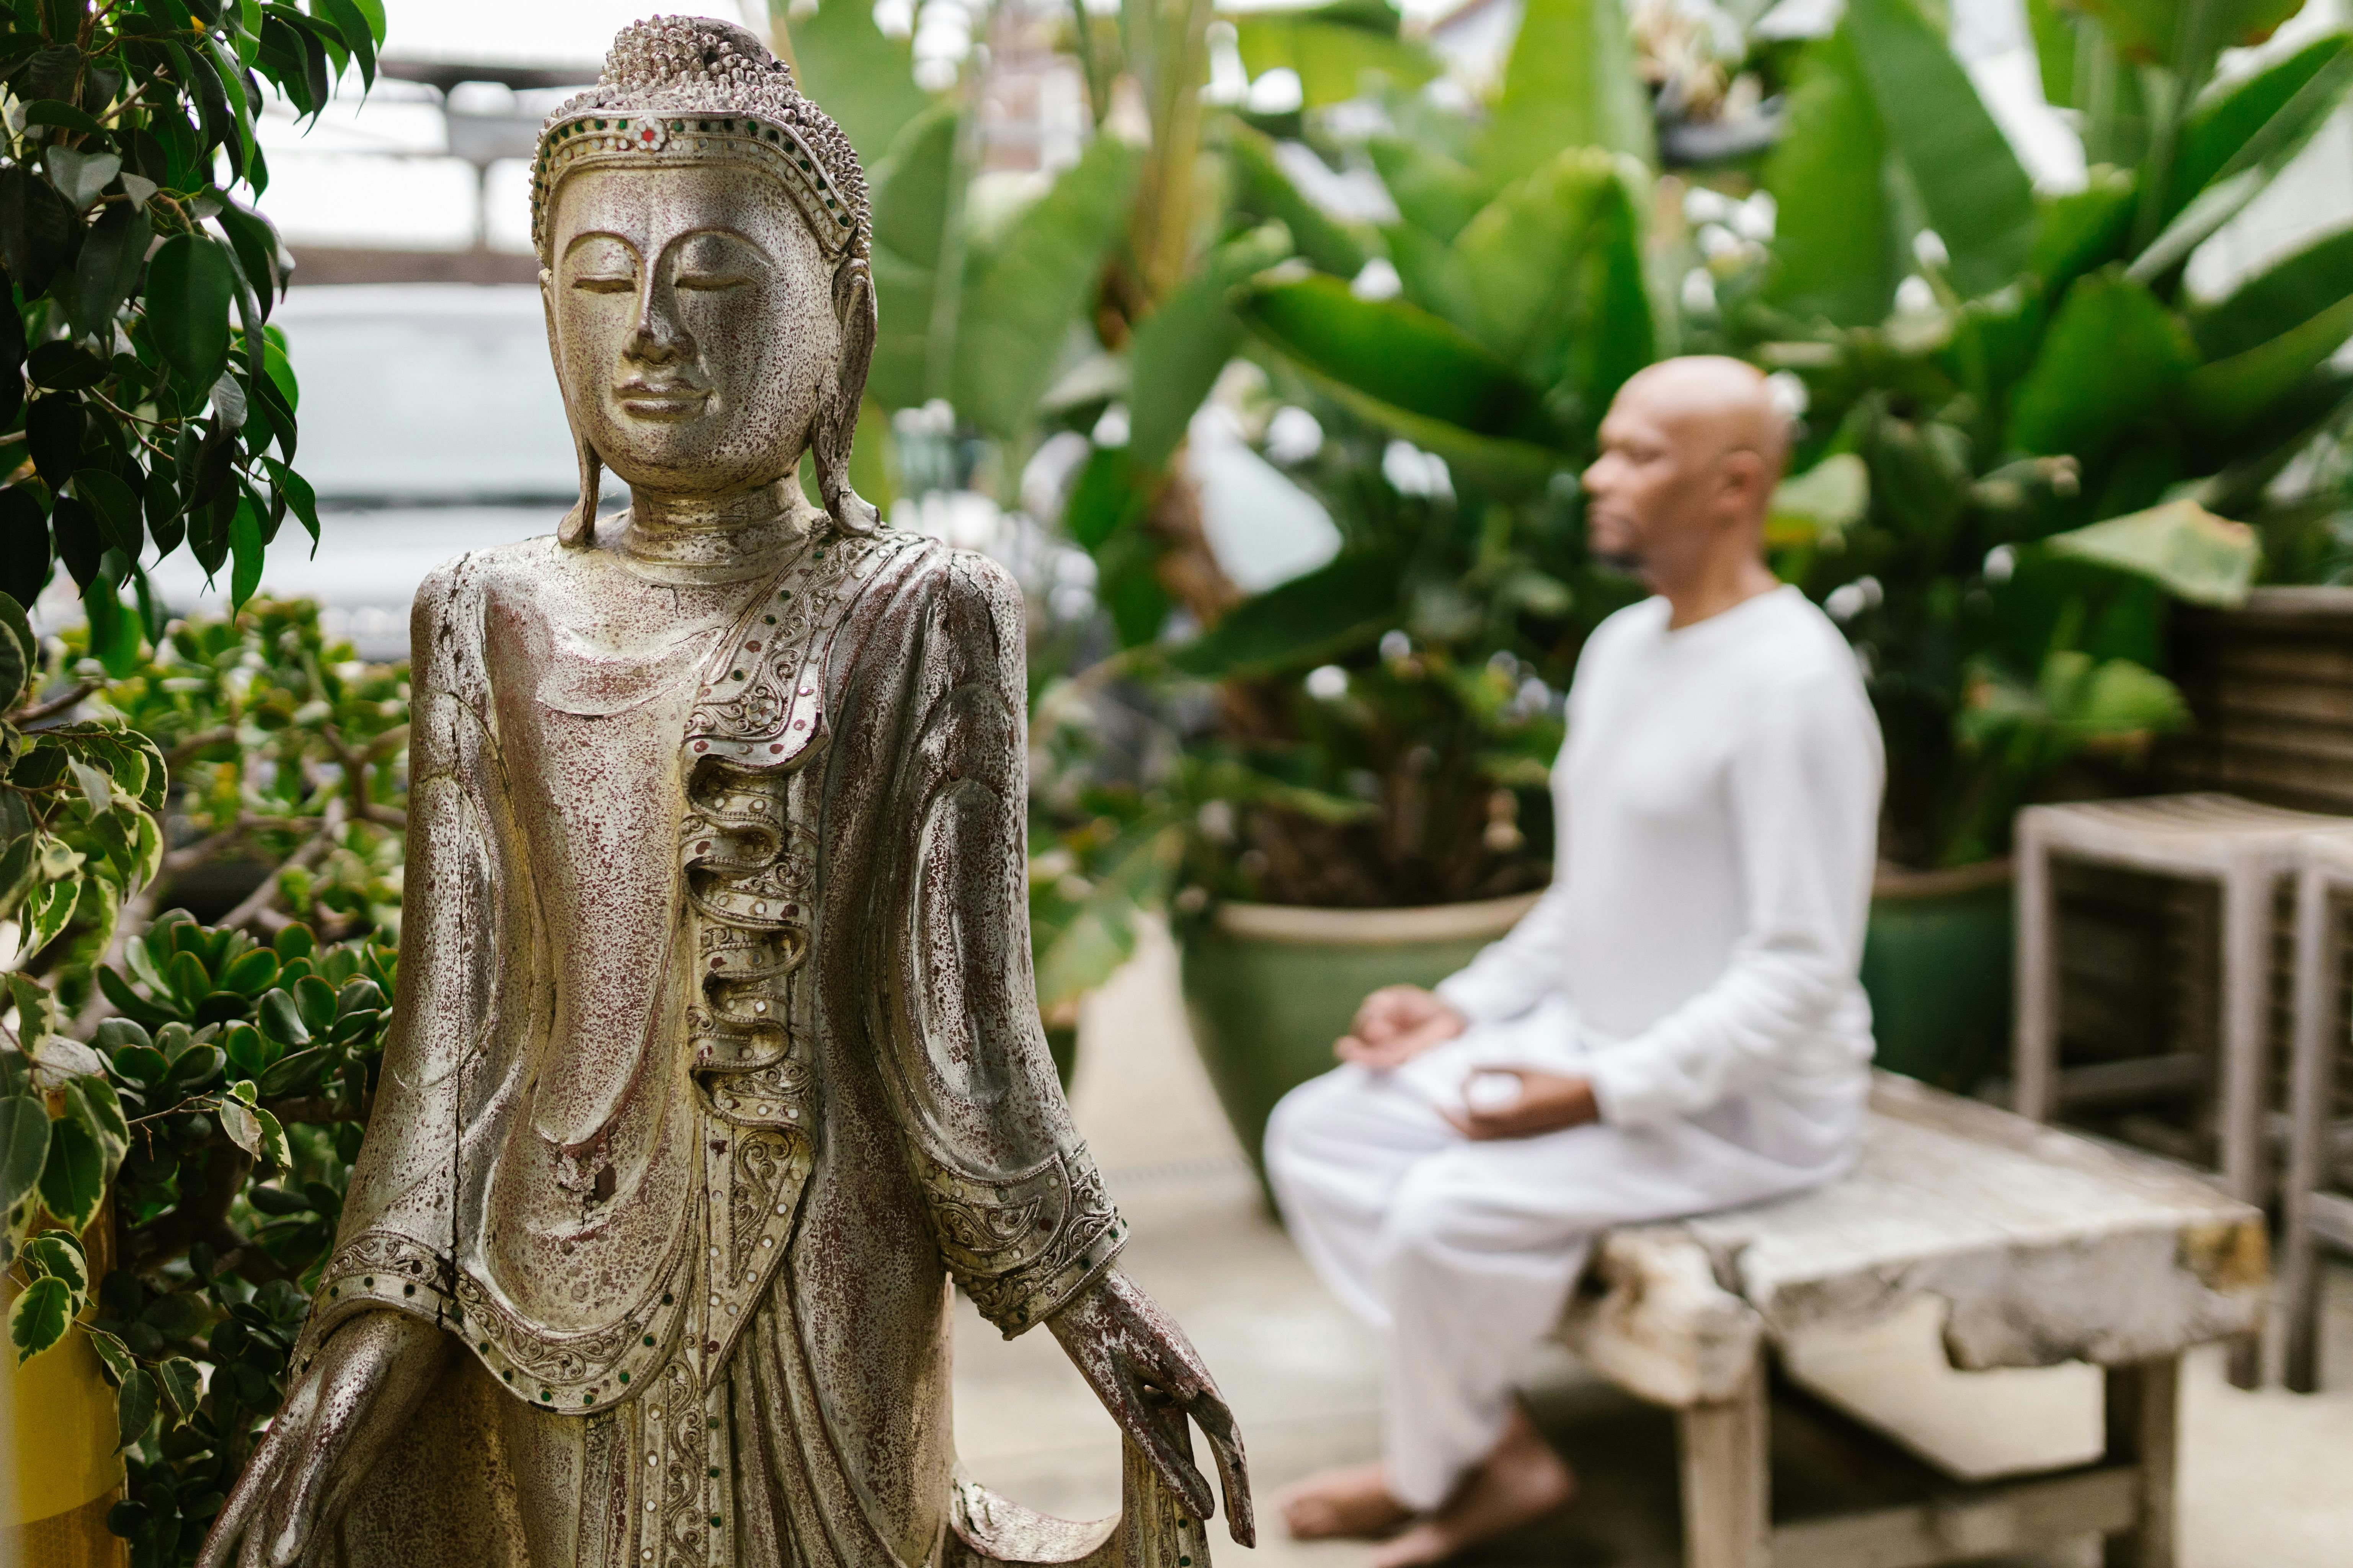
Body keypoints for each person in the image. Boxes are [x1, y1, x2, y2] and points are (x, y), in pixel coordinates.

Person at [197, 21, 1249, 1568]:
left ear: (843, 324)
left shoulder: (922, 607)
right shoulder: (489, 614)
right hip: (547, 1274)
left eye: (715, 283)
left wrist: (1096, 1299)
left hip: (833, 1272)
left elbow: (960, 1037)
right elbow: (453, 1048)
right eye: (600, 282)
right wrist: (345, 1378)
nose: (651, 336)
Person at [1264, 356, 1883, 1568]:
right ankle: (1489, 1447)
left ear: (1735, 484)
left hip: (1743, 1111)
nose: (1597, 475)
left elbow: (1801, 970)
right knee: (1322, 1132)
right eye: (1605, 445)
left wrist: (1595, 1094)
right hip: (1591, 1050)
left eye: (1640, 453)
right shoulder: (1620, 648)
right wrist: (1455, 1010)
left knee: (1443, 1213)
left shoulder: (1794, 681)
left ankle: (1434, 1469)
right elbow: (1587, 900)